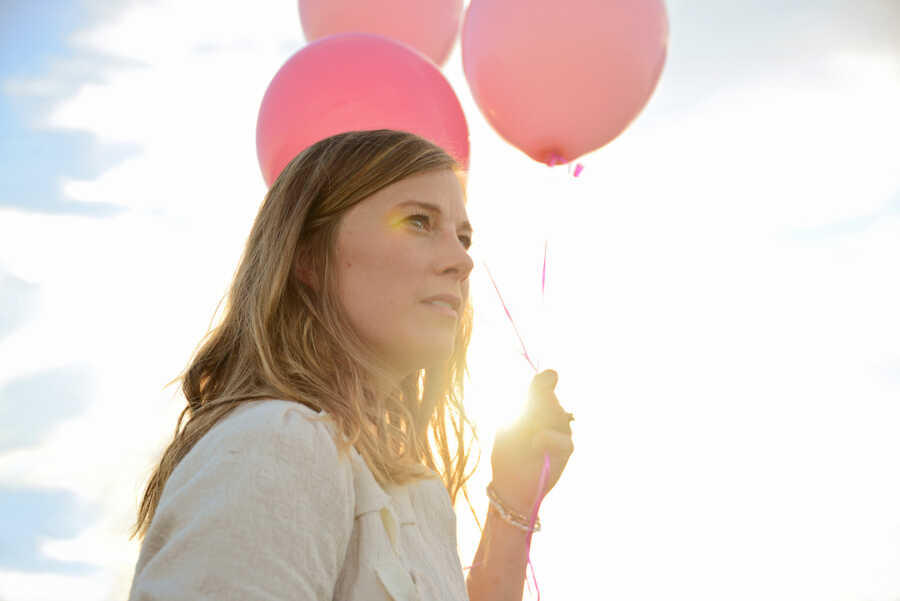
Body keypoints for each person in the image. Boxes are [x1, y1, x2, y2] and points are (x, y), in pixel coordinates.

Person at [126, 129, 574, 601]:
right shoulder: (277, 443)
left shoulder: (417, 492)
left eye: (463, 237)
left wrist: (513, 502)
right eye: (419, 222)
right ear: (308, 258)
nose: (462, 261)